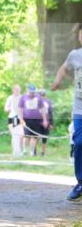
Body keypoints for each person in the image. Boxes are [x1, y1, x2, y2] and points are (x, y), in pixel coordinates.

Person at [50, 23, 82, 202]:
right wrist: (57, 81)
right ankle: (80, 182)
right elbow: (63, 68)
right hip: (80, 108)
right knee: (78, 143)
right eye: (81, 35)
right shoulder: (75, 55)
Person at [19, 85, 45, 156]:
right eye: (30, 92)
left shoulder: (38, 98)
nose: (32, 94)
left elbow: (42, 108)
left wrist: (44, 119)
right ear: (27, 91)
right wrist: (21, 118)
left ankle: (32, 152)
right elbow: (20, 108)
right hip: (26, 119)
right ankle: (24, 151)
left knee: (34, 136)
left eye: (33, 92)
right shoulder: (23, 97)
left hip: (36, 120)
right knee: (26, 135)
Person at [5, 84, 23, 155]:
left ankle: (19, 151)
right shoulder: (10, 98)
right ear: (13, 90)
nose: (17, 91)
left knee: (21, 134)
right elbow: (6, 108)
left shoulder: (22, 97)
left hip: (20, 118)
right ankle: (15, 152)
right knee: (14, 135)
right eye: (15, 89)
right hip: (12, 117)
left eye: (18, 89)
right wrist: (10, 108)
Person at [38, 88, 52, 156]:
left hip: (43, 121)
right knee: (42, 137)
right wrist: (51, 123)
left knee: (40, 137)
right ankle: (41, 152)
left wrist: (51, 123)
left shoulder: (48, 102)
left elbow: (50, 112)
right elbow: (50, 112)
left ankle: (41, 152)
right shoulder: (48, 101)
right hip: (42, 121)